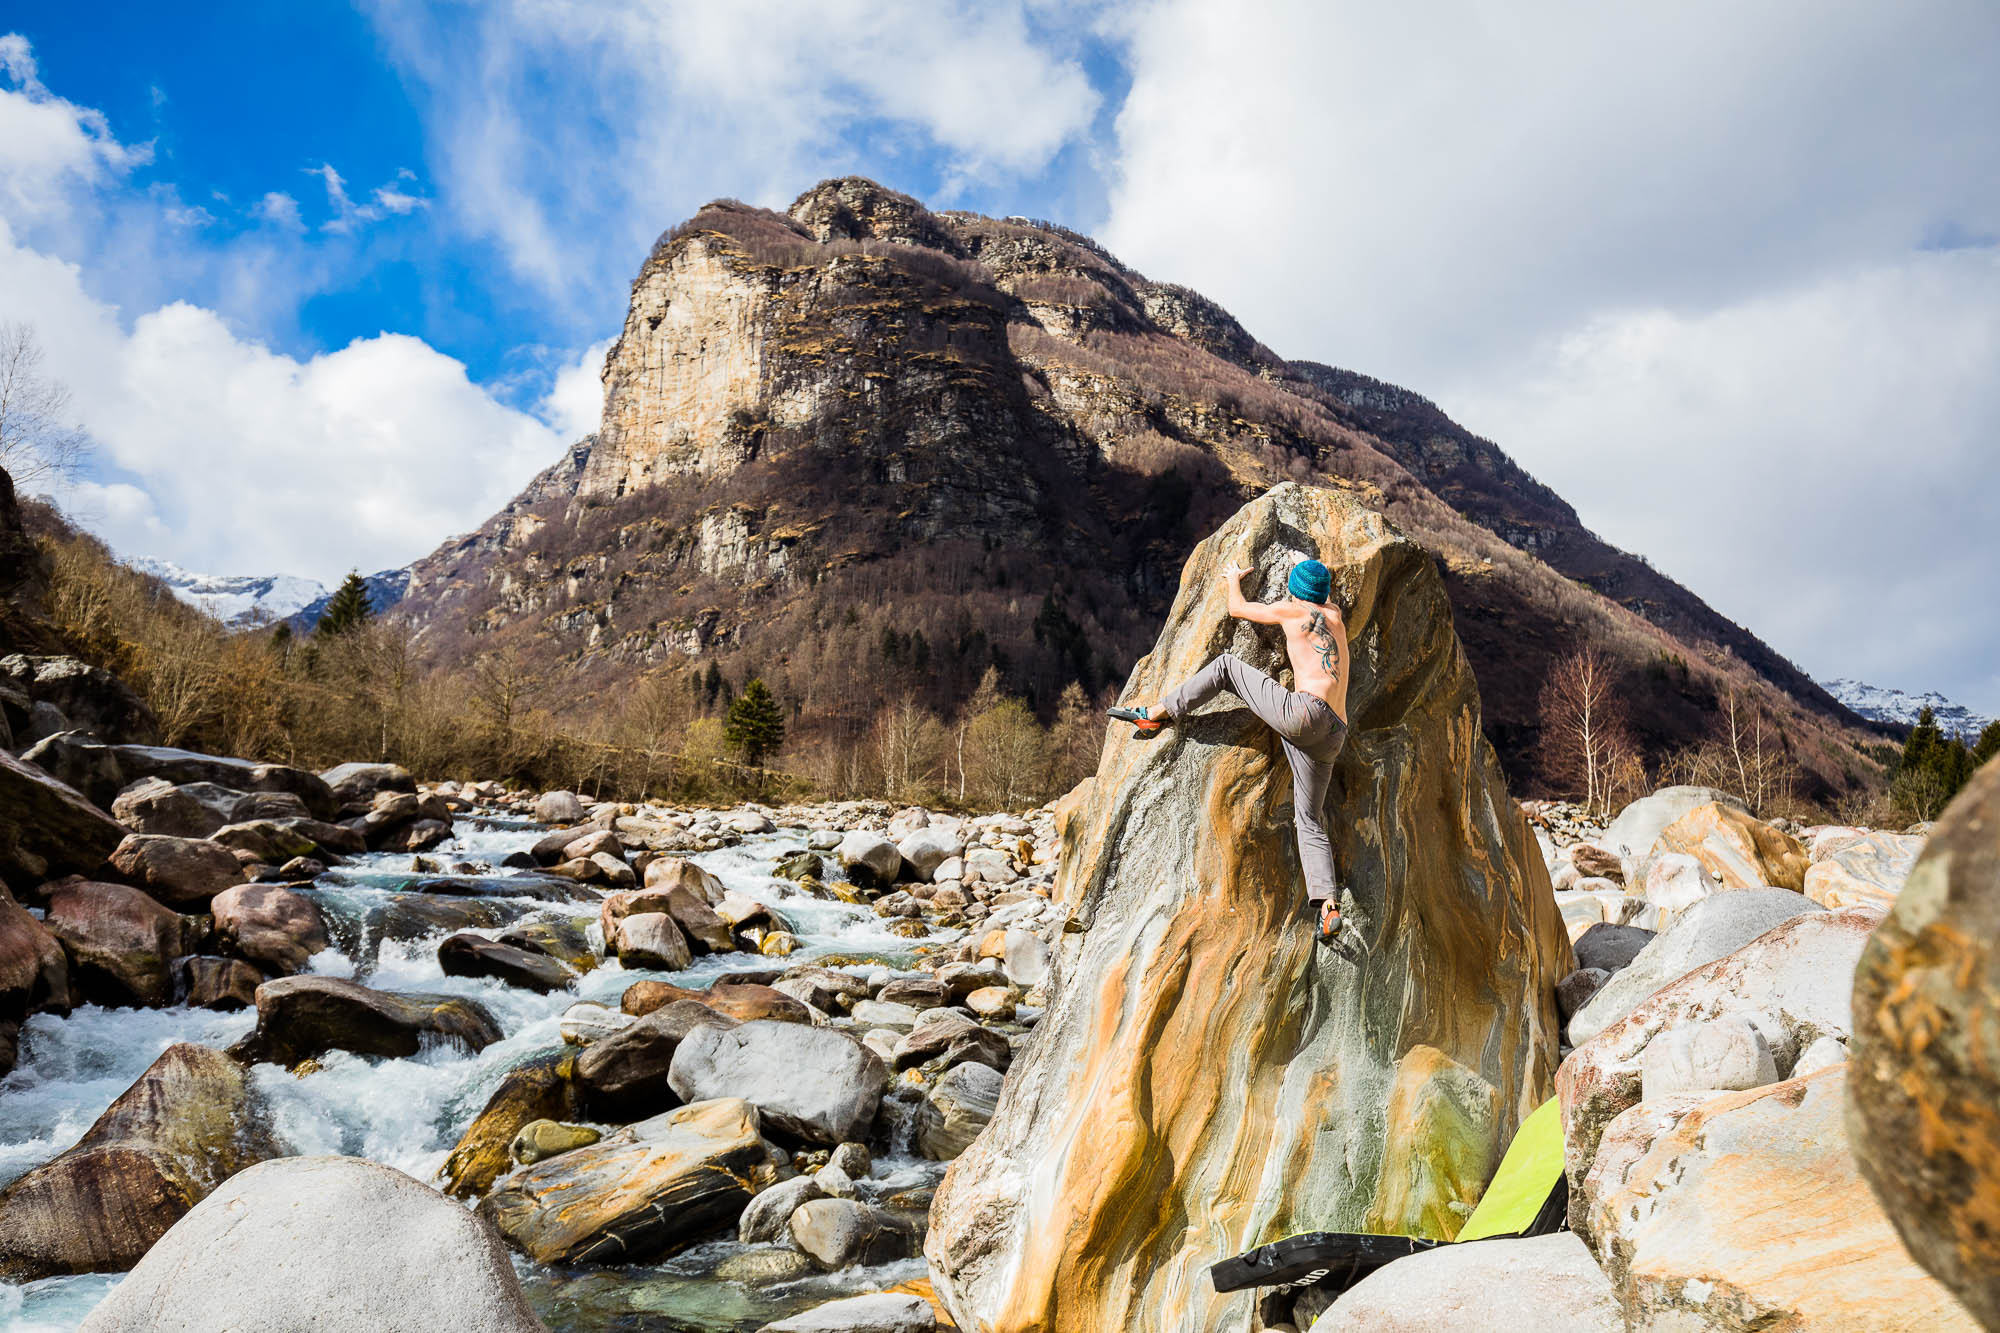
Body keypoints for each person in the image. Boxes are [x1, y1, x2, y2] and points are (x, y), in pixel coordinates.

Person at [1109, 551, 1351, 943]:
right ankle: (1328, 907)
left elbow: (1237, 609)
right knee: (1309, 818)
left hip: (1304, 712)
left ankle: (1155, 713)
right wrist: (1309, 567)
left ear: (1296, 594)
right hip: (1336, 731)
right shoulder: (1336, 616)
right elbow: (1318, 588)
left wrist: (1233, 577)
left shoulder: (1292, 613)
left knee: (1225, 667)